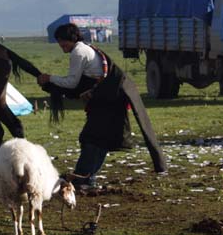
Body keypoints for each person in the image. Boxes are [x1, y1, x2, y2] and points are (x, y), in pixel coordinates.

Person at [38, 23, 166, 190]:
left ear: (72, 39)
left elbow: (72, 82)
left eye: (63, 42)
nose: (62, 46)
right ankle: (87, 177)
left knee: (91, 138)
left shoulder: (78, 52)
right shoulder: (86, 49)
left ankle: (83, 178)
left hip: (107, 101)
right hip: (109, 99)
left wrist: (49, 78)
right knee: (100, 140)